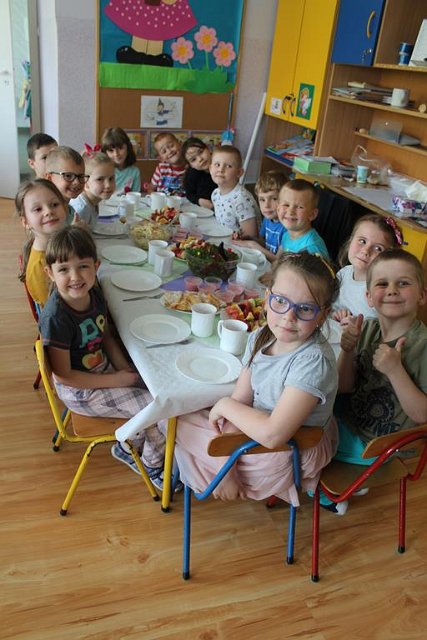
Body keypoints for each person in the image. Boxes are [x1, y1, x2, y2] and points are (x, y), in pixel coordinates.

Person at [173, 252, 339, 507]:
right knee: (177, 416)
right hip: (261, 432)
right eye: (280, 301)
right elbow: (241, 400)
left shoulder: (313, 362)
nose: (289, 317)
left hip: (291, 451)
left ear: (323, 315)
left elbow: (273, 435)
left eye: (305, 308)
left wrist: (224, 406)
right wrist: (226, 465)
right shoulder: (261, 336)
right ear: (267, 297)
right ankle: (215, 470)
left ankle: (199, 470)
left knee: (177, 425)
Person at [38, 226, 166, 489]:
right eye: (64, 270)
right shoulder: (56, 318)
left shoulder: (94, 293)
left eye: (83, 267)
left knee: (158, 387)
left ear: (96, 266)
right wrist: (118, 380)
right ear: (49, 272)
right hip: (80, 391)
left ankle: (128, 446)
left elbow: (105, 335)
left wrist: (124, 370)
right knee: (158, 409)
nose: (75, 277)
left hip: (103, 370)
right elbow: (64, 375)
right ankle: (153, 466)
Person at [330, 249, 427, 513]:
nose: (392, 290)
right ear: (369, 297)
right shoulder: (368, 328)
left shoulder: (423, 346)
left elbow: (422, 416)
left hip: (382, 445)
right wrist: (347, 350)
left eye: (403, 283)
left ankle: (329, 495)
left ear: (422, 295)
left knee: (307, 443)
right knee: (302, 408)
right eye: (382, 283)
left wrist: (395, 371)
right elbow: (344, 386)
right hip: (352, 422)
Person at [332, 214, 403, 324]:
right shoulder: (343, 273)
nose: (366, 251)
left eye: (378, 248)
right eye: (362, 241)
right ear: (350, 241)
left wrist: (358, 327)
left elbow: (385, 328)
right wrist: (335, 315)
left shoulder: (380, 292)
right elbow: (329, 306)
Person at [17, 178, 68, 307]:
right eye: (38, 209)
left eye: (54, 204)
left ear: (65, 208)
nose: (48, 211)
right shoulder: (38, 268)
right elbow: (54, 309)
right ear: (25, 222)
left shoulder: (61, 244)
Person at [232, 170, 288, 261]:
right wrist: (248, 238)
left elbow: (278, 261)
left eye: (274, 199)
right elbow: (263, 243)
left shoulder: (288, 227)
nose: (266, 205)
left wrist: (252, 245)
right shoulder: (267, 219)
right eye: (262, 200)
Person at [210, 145, 259, 237]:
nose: (221, 169)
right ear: (210, 169)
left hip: (241, 244)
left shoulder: (242, 199)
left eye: (228, 166)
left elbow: (250, 237)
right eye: (217, 164)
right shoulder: (215, 194)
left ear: (239, 172)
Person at [276, 179, 329, 258]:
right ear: (278, 209)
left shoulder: (311, 249)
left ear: (312, 214)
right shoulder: (286, 235)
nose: (290, 211)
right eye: (286, 205)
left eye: (299, 207)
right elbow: (277, 260)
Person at [70, 151, 116, 229]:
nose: (108, 185)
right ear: (85, 182)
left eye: (111, 178)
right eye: (100, 179)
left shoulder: (94, 200)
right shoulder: (81, 210)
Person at [45, 146, 88, 223]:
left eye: (81, 176)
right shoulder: (48, 213)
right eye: (68, 176)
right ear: (50, 178)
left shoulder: (70, 210)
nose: (77, 182)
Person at [101, 127, 141, 193]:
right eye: (111, 150)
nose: (116, 154)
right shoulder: (103, 171)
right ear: (105, 153)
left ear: (128, 147)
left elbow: (135, 195)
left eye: (120, 148)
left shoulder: (134, 172)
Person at [181, 137, 216, 209]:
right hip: (202, 209)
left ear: (208, 149)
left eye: (200, 152)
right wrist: (199, 201)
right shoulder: (192, 174)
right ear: (191, 165)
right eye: (193, 159)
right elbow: (189, 194)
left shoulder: (220, 164)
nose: (200, 159)